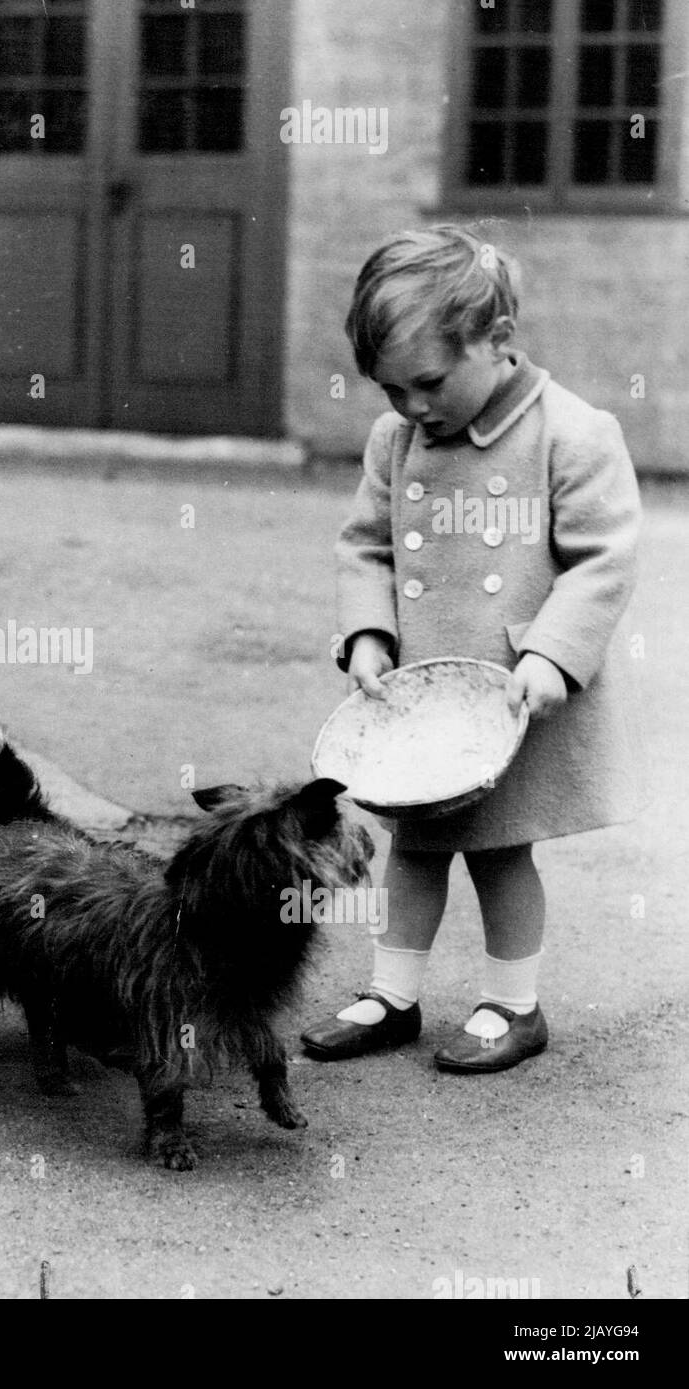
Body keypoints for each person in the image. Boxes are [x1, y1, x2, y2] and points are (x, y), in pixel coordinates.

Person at [301, 225, 642, 1072]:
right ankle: (393, 995)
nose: (413, 407)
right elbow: (365, 545)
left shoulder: (571, 432)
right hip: (424, 696)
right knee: (413, 846)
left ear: (497, 341)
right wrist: (371, 633)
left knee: (499, 849)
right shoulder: (397, 443)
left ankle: (513, 1005)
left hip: (511, 693)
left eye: (428, 382)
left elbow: (604, 558)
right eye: (390, 390)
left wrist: (553, 656)